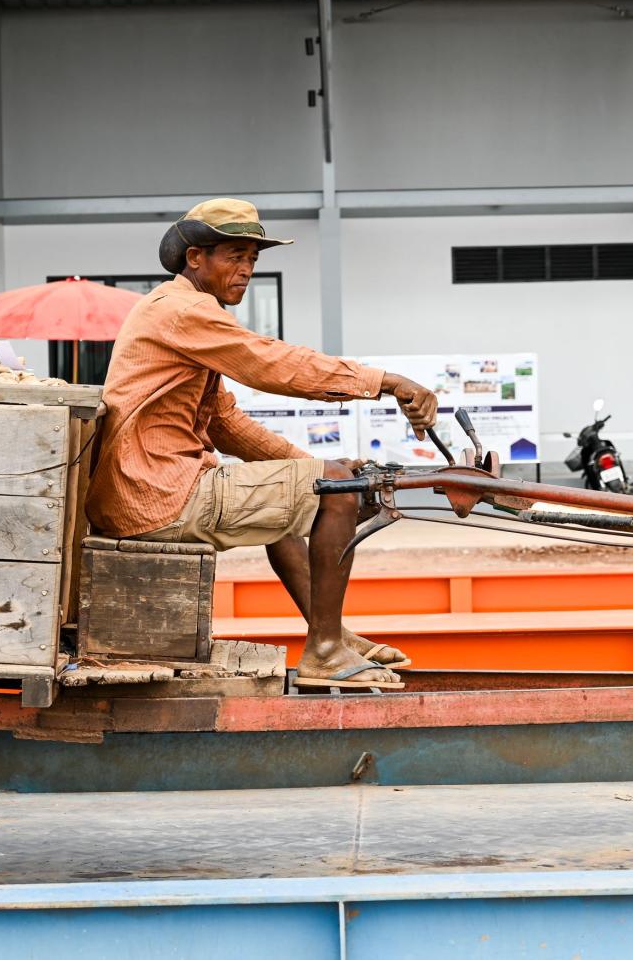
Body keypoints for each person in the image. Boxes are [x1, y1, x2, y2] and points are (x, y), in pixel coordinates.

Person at [86, 198, 439, 689]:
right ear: (196, 258)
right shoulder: (184, 310)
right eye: (234, 255)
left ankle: (329, 633)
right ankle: (325, 650)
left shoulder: (181, 312)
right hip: (159, 495)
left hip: (149, 492)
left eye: (253, 258)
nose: (247, 269)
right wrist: (385, 381)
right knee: (332, 490)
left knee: (305, 490)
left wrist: (314, 465)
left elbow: (225, 423)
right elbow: (270, 362)